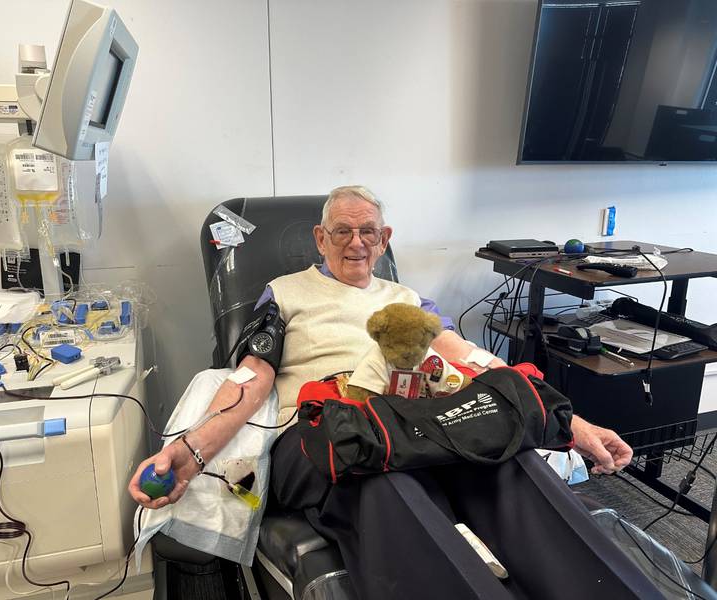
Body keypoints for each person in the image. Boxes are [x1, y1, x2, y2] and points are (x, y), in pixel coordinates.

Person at [130, 186, 651, 600]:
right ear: (320, 237)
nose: (356, 242)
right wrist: (192, 452)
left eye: (368, 232)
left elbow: (468, 357)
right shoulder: (285, 293)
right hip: (324, 426)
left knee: (508, 460)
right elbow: (251, 376)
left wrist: (572, 425)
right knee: (379, 483)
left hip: (415, 421)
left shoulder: (409, 300)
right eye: (342, 231)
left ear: (385, 239)